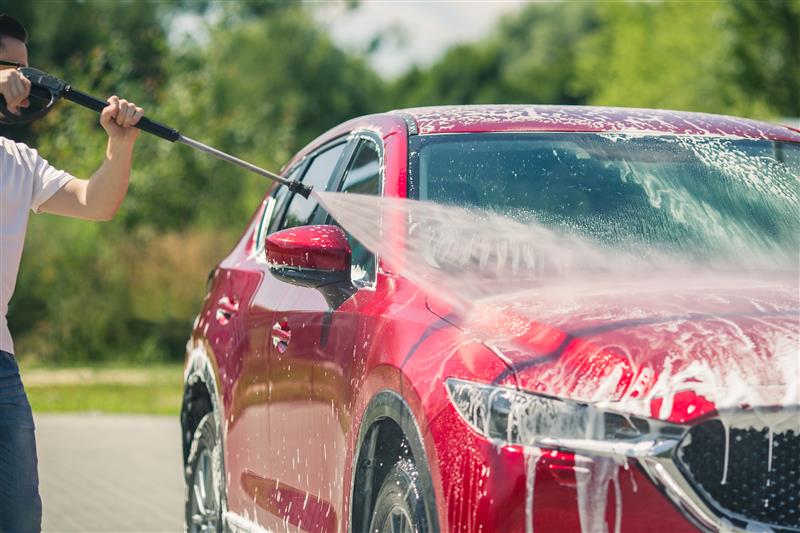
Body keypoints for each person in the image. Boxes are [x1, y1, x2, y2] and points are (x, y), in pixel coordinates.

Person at [0, 14, 144, 532]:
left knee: (17, 516)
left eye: (26, 67)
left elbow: (95, 201)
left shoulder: (17, 162)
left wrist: (118, 146)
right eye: (10, 67)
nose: (23, 79)